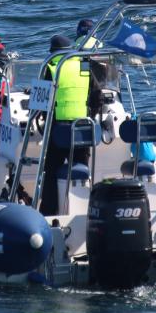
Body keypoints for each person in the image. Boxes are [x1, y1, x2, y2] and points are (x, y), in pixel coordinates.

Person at [39, 34, 92, 215]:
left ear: (53, 52)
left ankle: (49, 211)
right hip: (83, 129)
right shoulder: (84, 65)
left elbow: (41, 100)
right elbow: (95, 94)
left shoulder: (51, 67)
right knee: (82, 171)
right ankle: (85, 210)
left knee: (51, 171)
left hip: (59, 130)